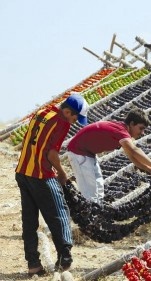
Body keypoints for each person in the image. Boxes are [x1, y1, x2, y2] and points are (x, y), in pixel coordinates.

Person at [15, 93, 89, 276]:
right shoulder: (61, 122)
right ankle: (65, 257)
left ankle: (33, 264)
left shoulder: (42, 112)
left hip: (23, 172)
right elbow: (51, 154)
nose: (74, 122)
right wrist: (62, 174)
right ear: (66, 111)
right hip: (41, 174)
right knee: (59, 213)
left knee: (29, 220)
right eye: (75, 118)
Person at [66, 108, 151, 205]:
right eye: (141, 128)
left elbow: (133, 158)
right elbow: (134, 151)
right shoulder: (121, 131)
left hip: (88, 154)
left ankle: (97, 214)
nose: (142, 133)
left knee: (99, 189)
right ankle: (89, 216)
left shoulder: (121, 129)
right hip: (78, 153)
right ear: (132, 124)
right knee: (90, 193)